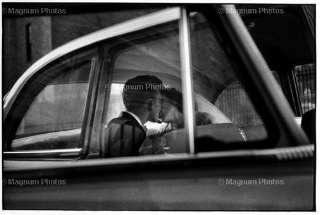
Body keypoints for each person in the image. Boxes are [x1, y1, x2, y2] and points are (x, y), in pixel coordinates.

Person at [104, 75, 163, 157]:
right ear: (151, 104)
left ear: (124, 100)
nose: (162, 107)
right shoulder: (134, 131)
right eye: (160, 101)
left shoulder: (114, 122)